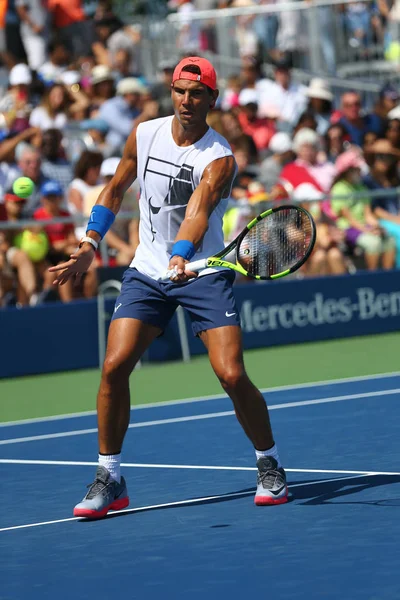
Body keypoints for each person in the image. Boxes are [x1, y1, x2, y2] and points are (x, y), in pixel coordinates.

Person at [49, 56, 288, 519]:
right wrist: (89, 242)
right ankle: (109, 477)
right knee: (114, 367)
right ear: (171, 92)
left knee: (232, 375)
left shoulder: (219, 158)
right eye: (180, 91)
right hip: (147, 270)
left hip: (203, 271)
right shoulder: (145, 133)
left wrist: (182, 253)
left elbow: (198, 212)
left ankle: (270, 463)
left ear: (211, 100)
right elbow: (116, 188)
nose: (186, 100)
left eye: (196, 93)